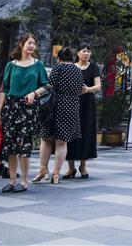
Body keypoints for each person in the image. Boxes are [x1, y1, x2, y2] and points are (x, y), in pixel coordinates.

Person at [0, 34, 49, 193]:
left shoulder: (38, 65)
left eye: (34, 44)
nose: (32, 46)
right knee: (11, 145)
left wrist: (34, 93)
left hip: (28, 107)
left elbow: (46, 86)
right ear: (21, 44)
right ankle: (12, 180)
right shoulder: (11, 65)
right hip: (11, 107)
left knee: (24, 145)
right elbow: (4, 90)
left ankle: (24, 181)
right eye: (29, 43)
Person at [33, 47, 83, 184]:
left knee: (46, 138)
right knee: (62, 141)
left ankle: (43, 170)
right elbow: (80, 89)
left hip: (54, 106)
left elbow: (49, 85)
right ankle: (56, 174)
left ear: (59, 59)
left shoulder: (58, 68)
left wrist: (36, 93)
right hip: (71, 107)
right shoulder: (78, 71)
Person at [66, 43, 101, 178]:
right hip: (71, 103)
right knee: (70, 134)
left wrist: (88, 89)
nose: (86, 53)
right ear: (78, 53)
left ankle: (82, 165)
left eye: (88, 51)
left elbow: (98, 86)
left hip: (87, 104)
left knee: (85, 133)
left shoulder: (93, 67)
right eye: (83, 51)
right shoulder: (71, 67)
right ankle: (70, 168)